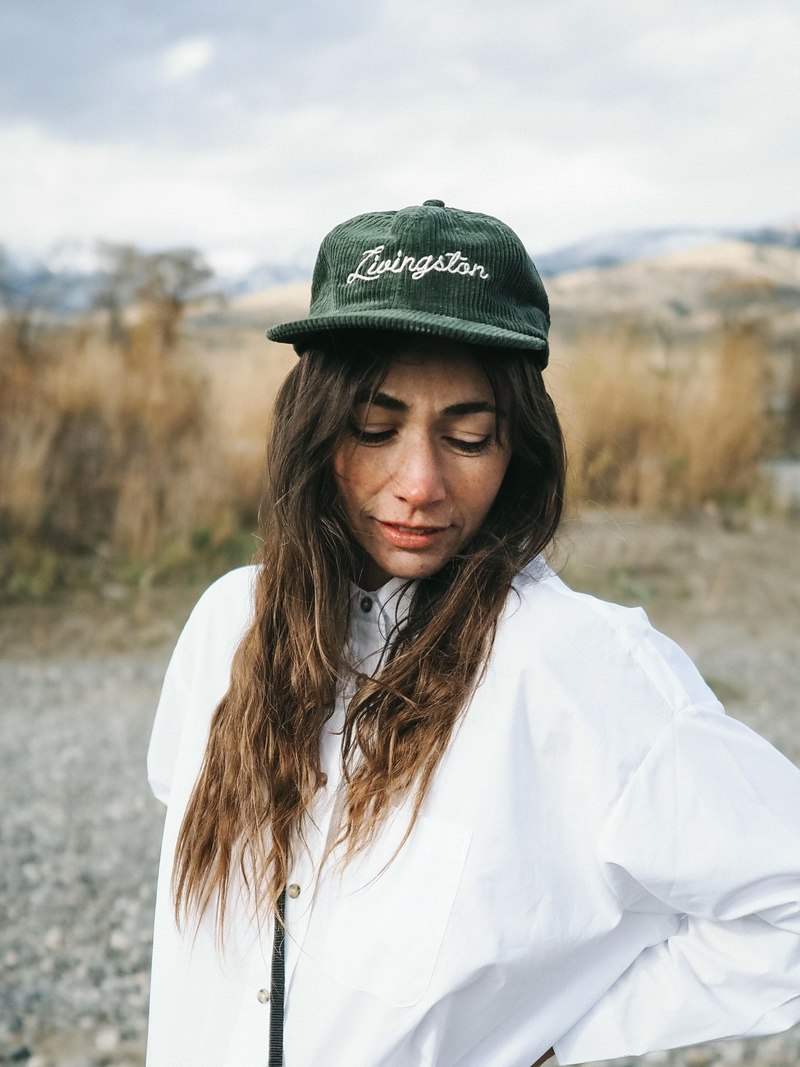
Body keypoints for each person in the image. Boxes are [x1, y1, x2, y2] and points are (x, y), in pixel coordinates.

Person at [146, 200, 800, 1067]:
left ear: (517, 447)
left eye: (467, 436)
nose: (419, 482)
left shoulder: (575, 664)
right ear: (314, 430)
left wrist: (552, 1038)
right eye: (374, 429)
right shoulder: (228, 623)